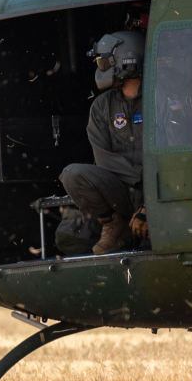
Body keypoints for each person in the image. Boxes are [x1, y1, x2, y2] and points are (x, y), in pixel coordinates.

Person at [60, 31, 146, 255]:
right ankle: (113, 224)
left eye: (105, 61)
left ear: (128, 60)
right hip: (122, 190)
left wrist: (148, 197)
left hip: (159, 188)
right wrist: (139, 178)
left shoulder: (159, 99)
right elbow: (103, 158)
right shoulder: (101, 106)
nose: (101, 67)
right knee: (72, 174)